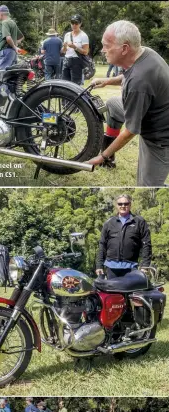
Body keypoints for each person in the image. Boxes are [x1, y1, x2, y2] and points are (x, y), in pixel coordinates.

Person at [86, 21, 169, 186]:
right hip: (150, 110)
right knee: (113, 104)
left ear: (124, 48)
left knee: (148, 187)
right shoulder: (145, 53)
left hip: (159, 136)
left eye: (106, 46)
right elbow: (128, 75)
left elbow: (130, 131)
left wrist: (102, 157)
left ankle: (108, 157)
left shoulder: (139, 84)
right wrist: (108, 81)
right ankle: (110, 154)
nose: (102, 50)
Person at [96, 194, 151, 279]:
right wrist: (99, 265)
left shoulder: (139, 222)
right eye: (120, 204)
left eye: (126, 203)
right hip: (111, 267)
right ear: (116, 205)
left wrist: (145, 265)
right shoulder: (109, 223)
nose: (123, 206)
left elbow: (146, 244)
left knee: (131, 292)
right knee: (113, 292)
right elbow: (102, 244)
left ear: (130, 204)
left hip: (131, 267)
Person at [61, 15, 89, 84]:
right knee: (65, 84)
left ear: (80, 24)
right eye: (72, 23)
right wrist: (64, 47)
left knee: (75, 84)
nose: (74, 25)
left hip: (76, 61)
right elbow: (63, 51)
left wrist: (75, 47)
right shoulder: (67, 35)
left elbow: (85, 52)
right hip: (66, 60)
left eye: (76, 23)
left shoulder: (83, 36)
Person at [0, 5, 24, 71]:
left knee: (2, 73)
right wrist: (15, 44)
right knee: (11, 74)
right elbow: (22, 37)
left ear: (1, 13)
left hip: (6, 51)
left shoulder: (5, 23)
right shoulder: (12, 22)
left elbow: (8, 38)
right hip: (12, 52)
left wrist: (14, 46)